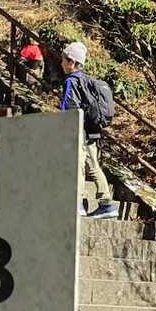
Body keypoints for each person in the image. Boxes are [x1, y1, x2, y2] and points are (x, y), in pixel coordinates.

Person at [59, 41, 119, 219]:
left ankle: (77, 204)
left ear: (71, 62)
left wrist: (63, 128)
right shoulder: (87, 80)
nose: (61, 63)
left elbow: (68, 108)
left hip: (79, 130)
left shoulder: (71, 81)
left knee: (78, 166)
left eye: (63, 59)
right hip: (91, 130)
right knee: (93, 166)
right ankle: (107, 204)